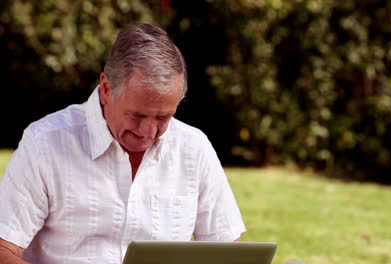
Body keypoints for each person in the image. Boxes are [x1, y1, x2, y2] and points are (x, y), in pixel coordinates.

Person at [0, 23, 246, 264]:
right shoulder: (45, 143)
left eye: (163, 117)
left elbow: (227, 252)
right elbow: (3, 249)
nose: (149, 132)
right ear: (106, 89)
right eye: (137, 115)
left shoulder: (194, 148)